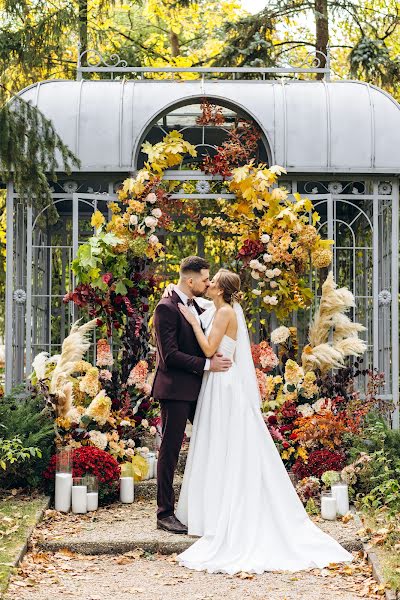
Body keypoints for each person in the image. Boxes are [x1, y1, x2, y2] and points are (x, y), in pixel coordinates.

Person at [171, 267, 354, 574]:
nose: (208, 285)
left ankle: (226, 511)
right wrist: (175, 296)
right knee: (221, 443)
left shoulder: (226, 312)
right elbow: (198, 305)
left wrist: (191, 322)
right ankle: (217, 509)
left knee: (225, 443)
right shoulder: (219, 307)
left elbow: (208, 348)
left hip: (224, 384)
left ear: (221, 289)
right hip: (220, 383)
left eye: (213, 282)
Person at [151, 256, 232, 535]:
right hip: (175, 391)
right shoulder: (165, 308)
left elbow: (224, 304)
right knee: (170, 451)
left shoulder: (197, 303)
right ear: (190, 280)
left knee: (215, 441)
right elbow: (169, 356)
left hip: (200, 391)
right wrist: (209, 365)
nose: (208, 283)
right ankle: (164, 514)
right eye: (205, 279)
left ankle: (214, 505)